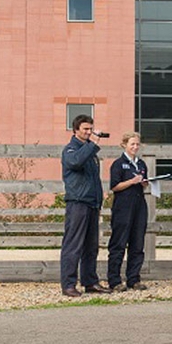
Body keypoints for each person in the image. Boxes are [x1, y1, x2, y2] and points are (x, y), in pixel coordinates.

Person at [60, 115, 112, 297]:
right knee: (73, 245)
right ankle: (68, 284)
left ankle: (90, 281)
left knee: (91, 246)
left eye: (90, 129)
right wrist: (93, 144)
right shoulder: (71, 150)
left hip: (92, 203)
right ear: (75, 130)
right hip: (77, 203)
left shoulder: (90, 152)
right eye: (85, 129)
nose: (89, 132)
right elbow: (75, 162)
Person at [106, 132, 149, 292]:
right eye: (132, 144)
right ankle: (114, 279)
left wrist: (145, 183)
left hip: (139, 204)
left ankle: (134, 278)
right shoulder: (118, 164)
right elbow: (114, 186)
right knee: (119, 243)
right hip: (123, 206)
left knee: (137, 243)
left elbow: (145, 182)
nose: (135, 147)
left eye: (137, 144)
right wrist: (131, 181)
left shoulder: (142, 164)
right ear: (125, 145)